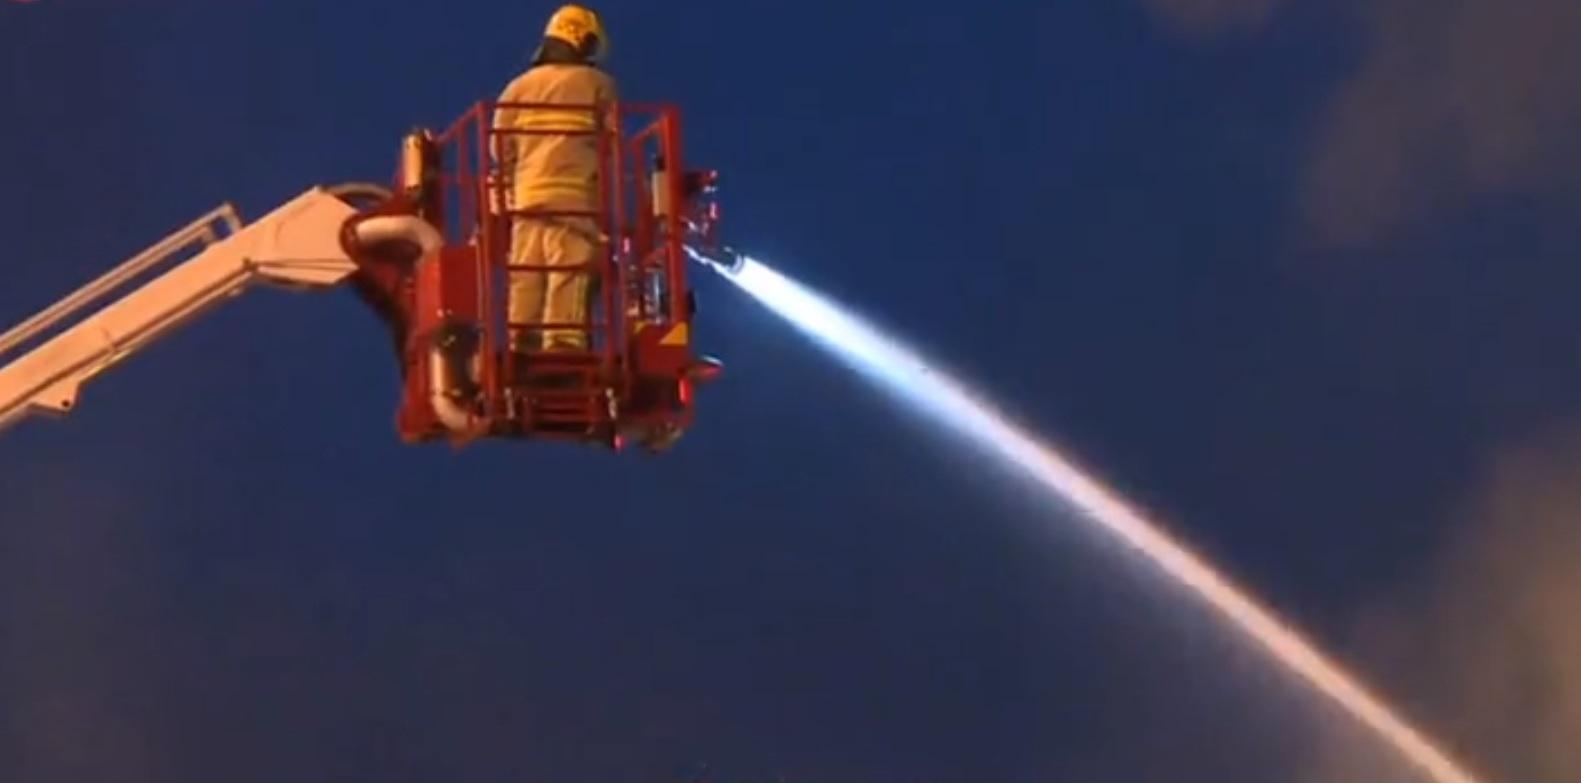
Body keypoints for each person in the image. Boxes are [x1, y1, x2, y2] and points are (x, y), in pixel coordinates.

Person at [492, 4, 617, 356]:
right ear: (582, 40)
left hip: (527, 198)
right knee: (571, 265)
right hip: (573, 196)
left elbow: (498, 148)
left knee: (527, 270)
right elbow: (612, 140)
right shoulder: (597, 84)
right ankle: (564, 341)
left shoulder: (517, 88)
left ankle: (523, 339)